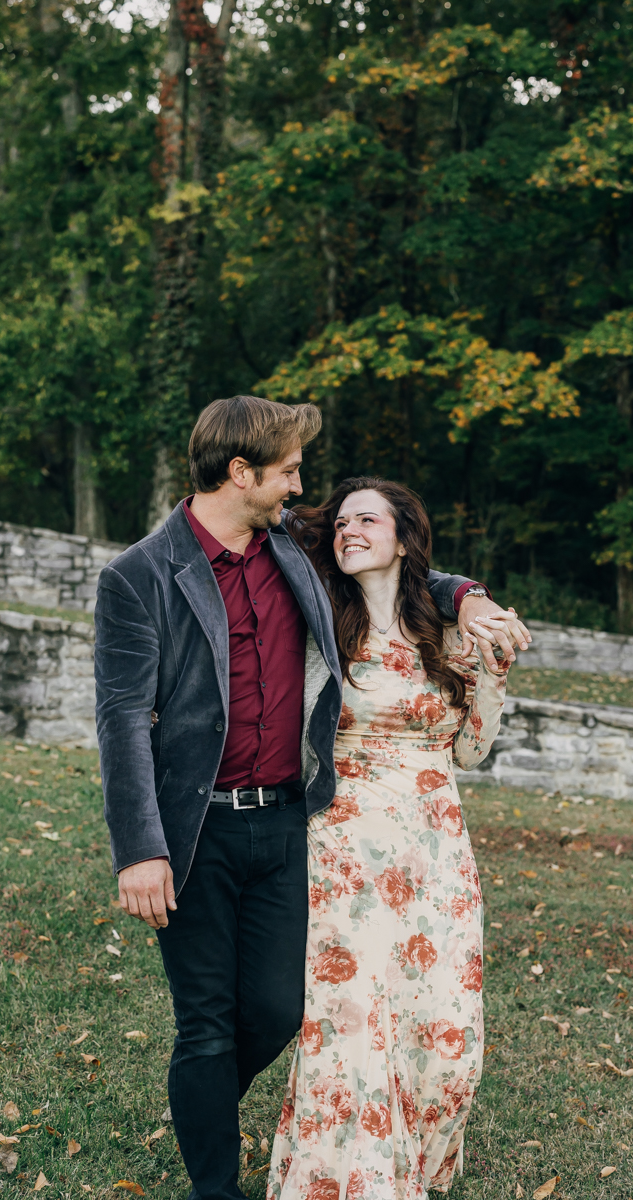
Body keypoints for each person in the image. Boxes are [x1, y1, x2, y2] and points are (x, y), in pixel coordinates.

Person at [94, 396, 530, 1200]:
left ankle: (202, 1111)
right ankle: (214, 1187)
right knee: (206, 1025)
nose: (301, 490)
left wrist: (468, 593)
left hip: (290, 822)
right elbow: (121, 717)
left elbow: (406, 565)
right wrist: (140, 849)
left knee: (277, 1007)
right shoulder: (138, 574)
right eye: (289, 471)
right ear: (241, 472)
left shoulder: (290, 546)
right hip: (193, 833)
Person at [268, 478, 510, 1200]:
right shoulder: (319, 627)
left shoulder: (448, 634)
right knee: (352, 1021)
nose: (348, 530)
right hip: (345, 848)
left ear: (404, 538)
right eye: (340, 522)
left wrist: (492, 665)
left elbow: (471, 752)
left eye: (366, 520)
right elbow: (281, 521)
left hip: (437, 849)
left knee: (448, 1030)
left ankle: (418, 1167)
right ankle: (349, 1179)